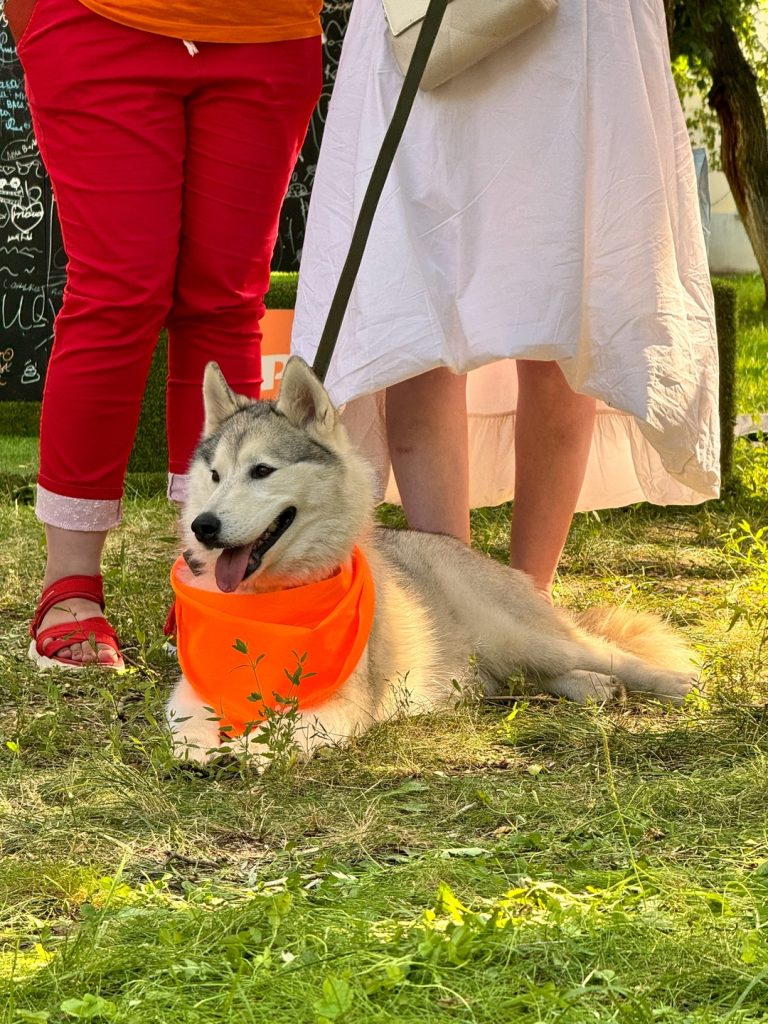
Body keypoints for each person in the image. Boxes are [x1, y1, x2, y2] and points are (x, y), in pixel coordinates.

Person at [291, 0, 720, 601]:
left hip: (572, 25)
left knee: (563, 295)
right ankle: (461, 604)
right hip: (433, 25)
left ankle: (526, 604)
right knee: (417, 300)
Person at [8, 0, 323, 669]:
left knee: (226, 302)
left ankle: (211, 576)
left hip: (266, 28)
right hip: (98, 20)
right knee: (115, 293)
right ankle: (70, 585)